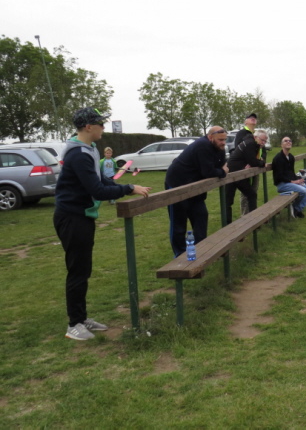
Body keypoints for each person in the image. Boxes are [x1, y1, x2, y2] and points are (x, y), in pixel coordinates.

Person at [54, 107, 151, 341]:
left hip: (82, 216)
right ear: (88, 127)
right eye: (100, 123)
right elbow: (97, 190)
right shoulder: (78, 154)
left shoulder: (89, 149)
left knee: (83, 269)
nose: (103, 127)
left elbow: (102, 180)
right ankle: (74, 325)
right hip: (72, 217)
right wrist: (129, 188)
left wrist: (123, 186)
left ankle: (82, 318)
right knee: (78, 271)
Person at [165, 127, 229, 257]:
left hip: (195, 187)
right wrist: (222, 172)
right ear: (210, 137)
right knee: (179, 222)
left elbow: (221, 165)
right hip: (177, 184)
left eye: (225, 140)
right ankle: (180, 255)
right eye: (220, 140)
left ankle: (201, 249)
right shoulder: (203, 145)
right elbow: (209, 172)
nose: (223, 143)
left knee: (201, 216)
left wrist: (221, 170)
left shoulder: (220, 148)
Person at [226, 129, 268, 223]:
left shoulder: (252, 143)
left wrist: (254, 162)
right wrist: (261, 163)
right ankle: (228, 225)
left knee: (250, 195)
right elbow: (253, 162)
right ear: (256, 137)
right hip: (232, 174)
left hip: (238, 173)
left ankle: (253, 221)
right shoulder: (250, 144)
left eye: (265, 141)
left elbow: (252, 161)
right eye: (262, 140)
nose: (263, 143)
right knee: (229, 201)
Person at [272, 136, 306, 218]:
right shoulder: (278, 158)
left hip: (291, 183)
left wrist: (298, 180)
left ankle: (297, 208)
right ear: (281, 145)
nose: (288, 142)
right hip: (282, 184)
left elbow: (291, 172)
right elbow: (279, 176)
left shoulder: (291, 157)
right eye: (286, 141)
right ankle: (296, 209)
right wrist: (293, 182)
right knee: (303, 190)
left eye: (290, 141)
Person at [235, 112, 266, 215]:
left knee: (254, 191)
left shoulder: (258, 134)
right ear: (245, 121)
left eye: (255, 118)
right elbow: (238, 149)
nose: (253, 118)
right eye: (250, 117)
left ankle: (253, 214)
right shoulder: (242, 133)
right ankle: (245, 215)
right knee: (246, 193)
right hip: (246, 168)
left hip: (256, 166)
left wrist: (262, 160)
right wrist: (245, 163)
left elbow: (263, 150)